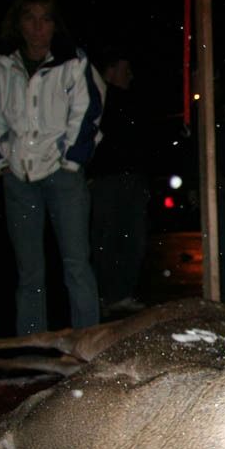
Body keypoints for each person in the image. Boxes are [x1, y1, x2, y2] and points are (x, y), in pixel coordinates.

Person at [0, 0, 104, 335]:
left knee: (76, 264)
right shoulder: (1, 63)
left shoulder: (72, 62)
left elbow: (88, 112)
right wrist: (3, 160)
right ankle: (32, 344)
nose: (37, 28)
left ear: (54, 24)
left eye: (45, 19)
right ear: (18, 23)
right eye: (30, 19)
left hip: (63, 174)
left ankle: (88, 343)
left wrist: (71, 160)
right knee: (29, 271)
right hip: (19, 176)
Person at [88, 48, 148, 317]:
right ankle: (105, 296)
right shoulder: (97, 98)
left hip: (131, 178)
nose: (130, 75)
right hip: (105, 179)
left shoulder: (132, 100)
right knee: (106, 238)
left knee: (132, 237)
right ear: (110, 71)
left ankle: (121, 294)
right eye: (125, 69)